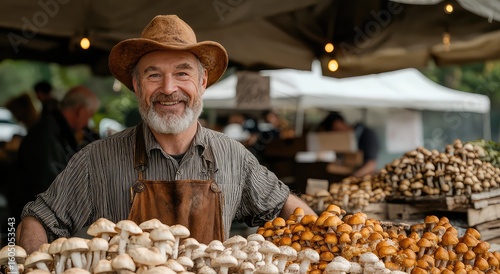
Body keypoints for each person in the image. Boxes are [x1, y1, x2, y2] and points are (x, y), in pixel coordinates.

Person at [16, 15, 316, 253]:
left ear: (202, 81)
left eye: (182, 73)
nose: (169, 88)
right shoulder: (97, 159)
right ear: (136, 86)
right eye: (154, 74)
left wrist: (319, 252)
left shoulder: (233, 155)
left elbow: (285, 206)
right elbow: (39, 219)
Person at [9, 86, 99, 223]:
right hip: (33, 220)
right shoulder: (46, 135)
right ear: (80, 111)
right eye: (90, 115)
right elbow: (50, 189)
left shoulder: (56, 129)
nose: (88, 123)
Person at [320, 111, 379, 178]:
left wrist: (353, 177)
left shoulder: (366, 135)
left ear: (338, 123)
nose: (337, 134)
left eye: (335, 130)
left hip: (364, 177)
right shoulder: (343, 140)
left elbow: (371, 164)